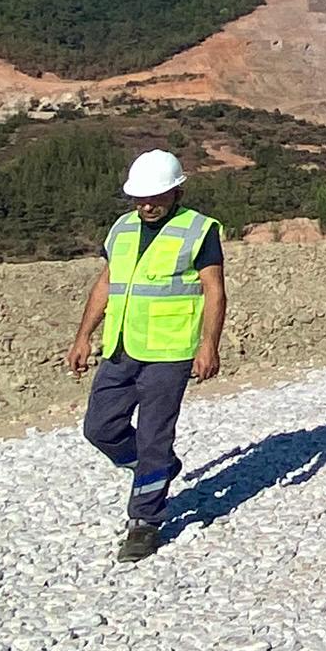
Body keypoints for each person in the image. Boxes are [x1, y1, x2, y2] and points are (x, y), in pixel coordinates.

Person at [65, 149, 226, 562]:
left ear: (177, 192)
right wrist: (83, 336)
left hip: (169, 352)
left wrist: (209, 344)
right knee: (100, 428)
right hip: (120, 346)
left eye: (156, 197)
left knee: (154, 435)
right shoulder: (121, 228)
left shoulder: (199, 230)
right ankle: (158, 468)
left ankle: (144, 521)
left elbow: (214, 290)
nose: (148, 205)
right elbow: (106, 284)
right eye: (140, 198)